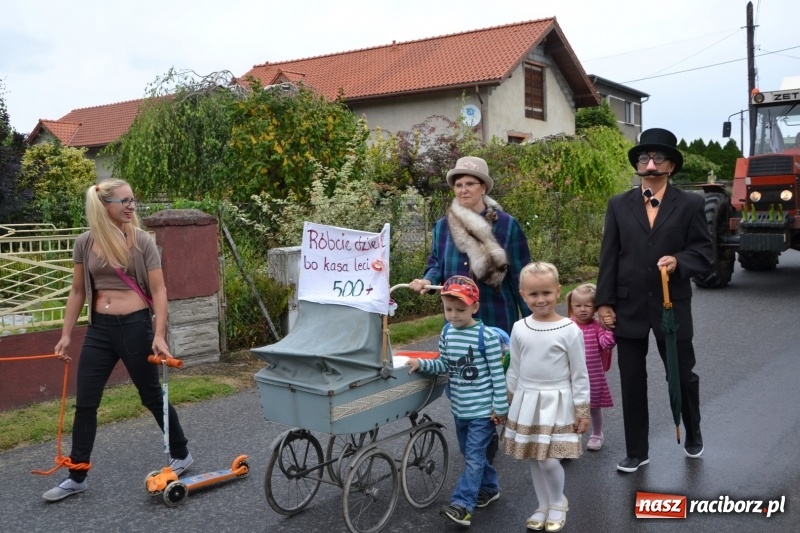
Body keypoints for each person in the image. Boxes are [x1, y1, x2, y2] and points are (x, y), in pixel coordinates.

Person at [42, 179, 193, 502]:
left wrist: (159, 335)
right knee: (86, 402)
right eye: (123, 201)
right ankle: (77, 474)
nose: (131, 206)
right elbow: (78, 291)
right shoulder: (85, 243)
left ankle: (181, 454)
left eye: (132, 200)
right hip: (99, 330)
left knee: (151, 395)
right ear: (104, 205)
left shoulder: (141, 242)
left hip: (135, 326)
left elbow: (159, 290)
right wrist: (66, 335)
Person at [595, 128, 713, 473]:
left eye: (657, 158)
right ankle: (637, 450)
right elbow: (609, 256)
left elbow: (703, 252)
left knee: (682, 375)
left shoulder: (691, 203)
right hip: (627, 306)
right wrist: (604, 302)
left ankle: (693, 430)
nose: (649, 165)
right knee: (632, 379)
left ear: (671, 166)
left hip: (671, 305)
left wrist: (678, 261)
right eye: (643, 159)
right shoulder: (618, 204)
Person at [405, 275, 508, 527]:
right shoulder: (448, 332)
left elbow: (497, 374)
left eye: (460, 310)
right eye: (448, 309)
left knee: (473, 456)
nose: (453, 315)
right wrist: (422, 364)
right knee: (471, 453)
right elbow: (444, 364)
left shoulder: (487, 338)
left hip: (483, 411)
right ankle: (490, 487)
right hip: (460, 408)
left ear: (475, 307)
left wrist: (500, 408)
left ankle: (463, 505)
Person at [503, 262, 589, 532]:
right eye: (533, 294)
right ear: (522, 294)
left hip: (558, 401)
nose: (540, 300)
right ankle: (542, 506)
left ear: (558, 291)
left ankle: (557, 502)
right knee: (535, 457)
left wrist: (582, 410)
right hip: (527, 401)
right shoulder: (519, 327)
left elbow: (580, 374)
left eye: (546, 293)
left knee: (550, 459)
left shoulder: (569, 330)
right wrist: (507, 401)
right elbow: (515, 367)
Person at [409, 156, 531, 336]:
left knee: (499, 363)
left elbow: (522, 276)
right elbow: (436, 262)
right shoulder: (443, 226)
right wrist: (428, 280)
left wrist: (533, 322)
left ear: (483, 188)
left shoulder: (507, 225)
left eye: (470, 184)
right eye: (458, 185)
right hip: (457, 318)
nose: (463, 190)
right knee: (457, 362)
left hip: (497, 315)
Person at [566, 283, 616, 452]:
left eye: (588, 305)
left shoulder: (597, 327)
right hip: (570, 376)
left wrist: (609, 329)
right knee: (570, 408)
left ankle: (597, 434)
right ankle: (570, 436)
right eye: (578, 305)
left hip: (593, 376)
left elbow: (607, 344)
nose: (582, 309)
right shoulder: (567, 326)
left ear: (595, 308)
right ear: (571, 306)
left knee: (594, 407)